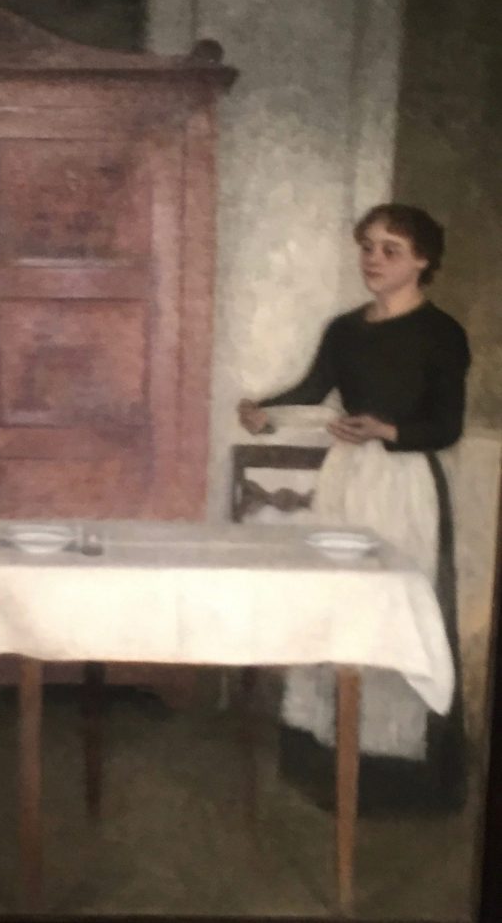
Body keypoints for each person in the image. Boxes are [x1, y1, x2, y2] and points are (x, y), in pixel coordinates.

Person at [238, 203, 470, 815]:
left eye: (390, 249)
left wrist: (386, 430)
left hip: (404, 486)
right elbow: (312, 391)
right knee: (335, 606)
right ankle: (326, 755)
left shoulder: (442, 333)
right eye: (366, 246)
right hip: (346, 482)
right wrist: (263, 411)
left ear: (423, 260)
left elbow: (445, 426)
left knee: (393, 611)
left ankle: (393, 772)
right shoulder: (345, 329)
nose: (373, 259)